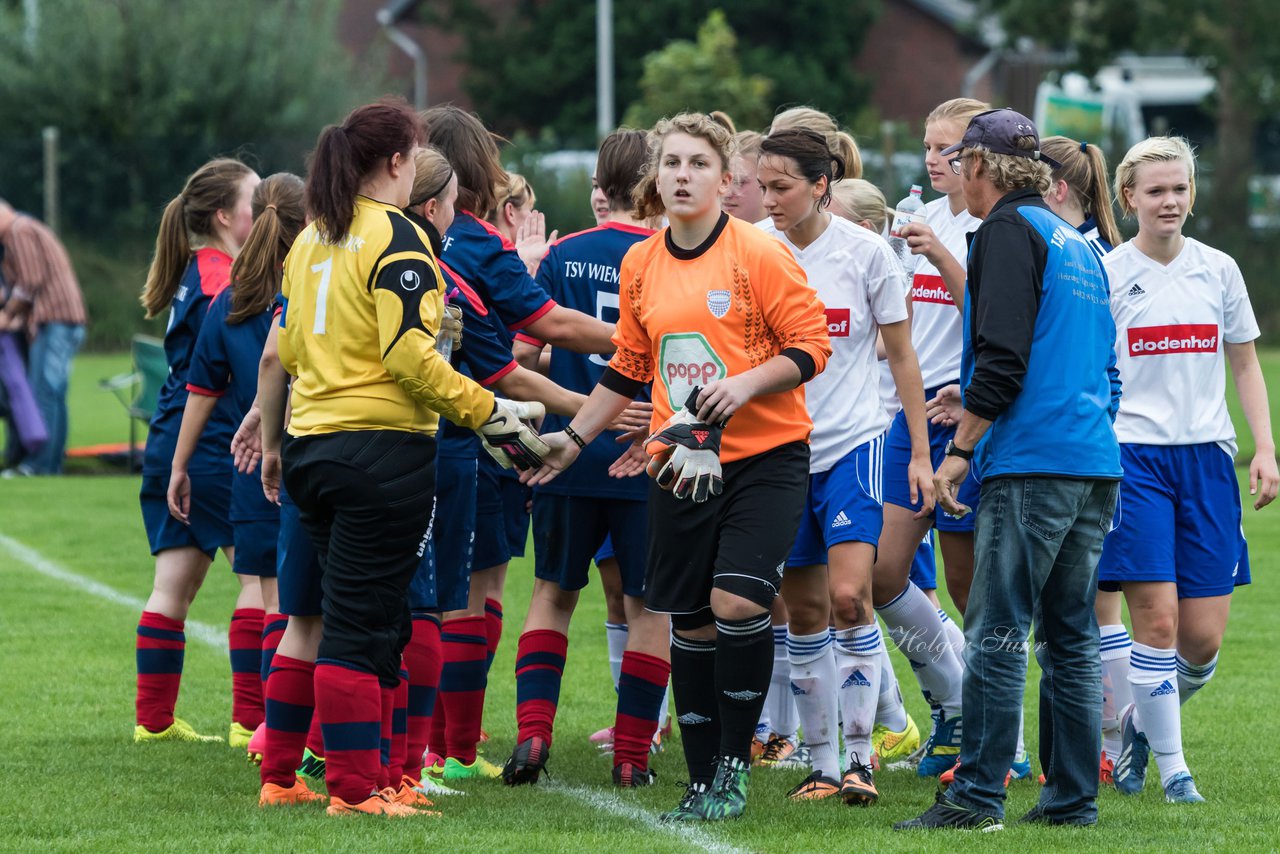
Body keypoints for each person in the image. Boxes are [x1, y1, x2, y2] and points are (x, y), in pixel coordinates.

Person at [523, 112, 831, 823]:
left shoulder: (759, 254)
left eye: (698, 164)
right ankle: (701, 780)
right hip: (680, 464)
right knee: (690, 623)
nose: (683, 175)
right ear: (654, 179)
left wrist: (745, 385)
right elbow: (629, 368)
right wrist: (572, 437)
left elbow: (812, 346)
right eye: (671, 164)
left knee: (736, 604)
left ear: (727, 181)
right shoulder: (642, 263)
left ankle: (733, 765)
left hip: (764, 458)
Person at [276, 98, 544, 817]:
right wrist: (489, 412)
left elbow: (291, 348)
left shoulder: (311, 240)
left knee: (365, 617)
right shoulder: (398, 238)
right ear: (398, 163)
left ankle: (370, 779)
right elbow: (408, 356)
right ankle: (356, 791)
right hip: (380, 452)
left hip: (312, 443)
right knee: (366, 624)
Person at [896, 108, 1122, 831]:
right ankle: (1071, 802)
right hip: (1091, 460)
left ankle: (976, 799)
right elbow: (1088, 362)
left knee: (996, 630)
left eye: (959, 160)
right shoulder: (1077, 243)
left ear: (980, 167)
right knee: (1071, 638)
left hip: (1032, 463)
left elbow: (1002, 357)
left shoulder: (1002, 231)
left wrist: (959, 451)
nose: (955, 173)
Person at [422, 105, 617, 780]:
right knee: (472, 592)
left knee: (415, 589)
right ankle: (452, 749)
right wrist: (637, 342)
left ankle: (396, 741)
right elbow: (546, 328)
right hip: (473, 435)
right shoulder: (475, 241)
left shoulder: (383, 232)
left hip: (394, 432)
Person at [755, 128, 933, 806]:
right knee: (800, 612)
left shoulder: (866, 255)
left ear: (821, 184)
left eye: (782, 187)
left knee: (851, 596)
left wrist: (918, 453)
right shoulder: (752, 251)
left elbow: (903, 356)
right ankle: (821, 765)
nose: (767, 200)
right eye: (762, 186)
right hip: (777, 452)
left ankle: (860, 759)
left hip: (855, 447)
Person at [1101, 136, 1276, 805]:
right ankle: (1176, 772)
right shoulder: (1109, 273)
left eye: (1179, 189)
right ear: (1129, 198)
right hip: (1132, 461)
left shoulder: (1219, 270)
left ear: (1191, 193)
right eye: (1155, 191)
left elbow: (1245, 364)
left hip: (1207, 461)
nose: (1169, 200)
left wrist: (1263, 449)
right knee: (1160, 624)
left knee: (1201, 641)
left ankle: (1141, 723)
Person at [498, 128, 670, 789]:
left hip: (569, 453)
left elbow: (519, 352)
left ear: (602, 180)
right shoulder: (667, 255)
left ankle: (533, 736)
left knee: (552, 595)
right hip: (644, 452)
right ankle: (632, 754)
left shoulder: (563, 253)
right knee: (651, 607)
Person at [166, 173, 304, 755]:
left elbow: (201, 388)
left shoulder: (230, 299)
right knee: (305, 604)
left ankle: (254, 722)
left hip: (249, 469)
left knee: (266, 593)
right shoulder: (310, 290)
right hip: (309, 452)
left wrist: (179, 465)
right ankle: (286, 726)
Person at [872, 98, 988, 782]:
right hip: (908, 417)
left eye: (947, 149)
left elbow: (994, 314)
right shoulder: (924, 219)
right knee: (883, 575)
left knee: (971, 590)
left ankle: (994, 734)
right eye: (927, 148)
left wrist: (940, 253)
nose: (934, 159)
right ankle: (955, 706)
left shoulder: (996, 223)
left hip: (967, 419)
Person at [133, 158, 260, 745]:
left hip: (170, 440)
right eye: (255, 204)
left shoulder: (193, 270)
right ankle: (252, 722)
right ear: (225, 216)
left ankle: (153, 724)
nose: (264, 215)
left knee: (173, 585)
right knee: (260, 580)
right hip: (210, 444)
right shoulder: (221, 281)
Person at [1039, 135, 1128, 783]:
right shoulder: (1094, 252)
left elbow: (1104, 366)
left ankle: (1102, 745)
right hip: (1098, 447)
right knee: (1080, 613)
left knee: (1079, 615)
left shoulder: (1080, 257)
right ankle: (1089, 752)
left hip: (1075, 449)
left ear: (1055, 188)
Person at [0, 198, 87, 475]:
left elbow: (29, 281)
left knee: (43, 393)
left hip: (54, 321)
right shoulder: (28, 227)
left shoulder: (18, 231)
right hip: (66, 320)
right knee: (54, 394)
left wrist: (7, 314)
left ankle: (39, 466)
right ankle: (51, 463)